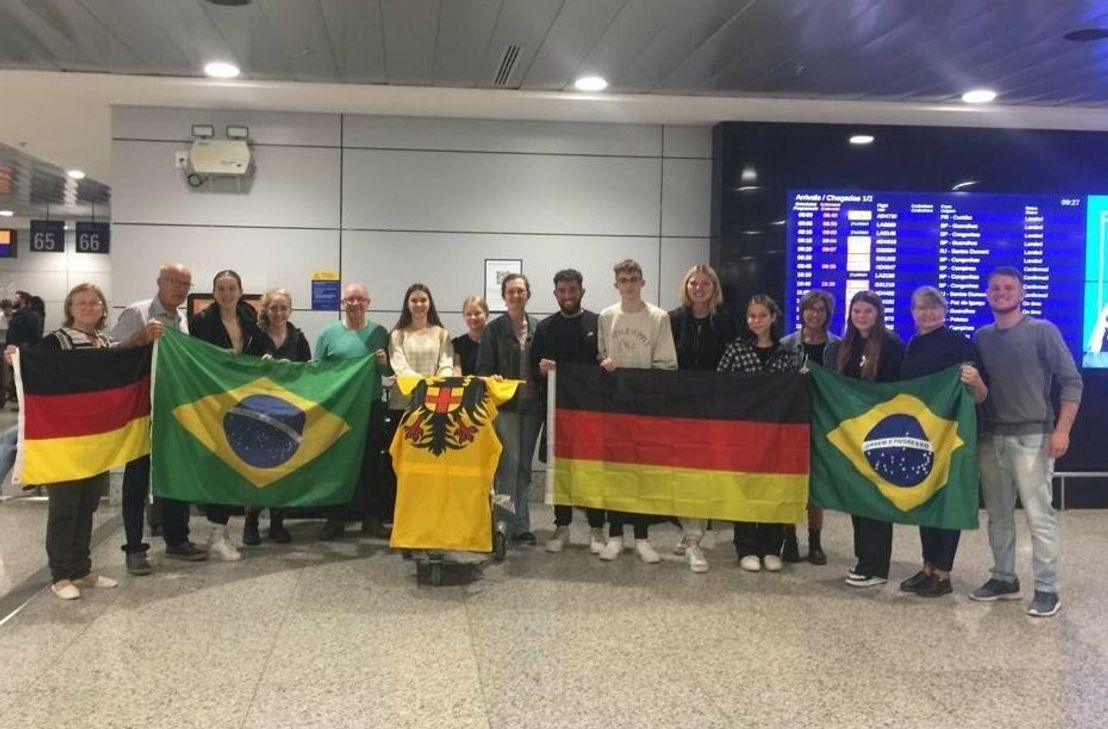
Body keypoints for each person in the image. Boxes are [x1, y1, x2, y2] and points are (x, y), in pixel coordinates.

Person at [33, 283, 158, 598]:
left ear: (103, 309)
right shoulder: (55, 342)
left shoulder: (105, 342)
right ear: (70, 308)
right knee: (64, 509)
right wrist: (16, 359)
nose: (89, 307)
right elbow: (33, 368)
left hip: (96, 442)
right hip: (64, 443)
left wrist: (144, 345)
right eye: (82, 303)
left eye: (95, 302)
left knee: (87, 505)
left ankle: (82, 568)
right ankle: (60, 575)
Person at [970, 267, 1083, 618]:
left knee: (1039, 516)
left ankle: (1047, 588)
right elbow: (980, 391)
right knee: (999, 516)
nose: (1001, 293)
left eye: (1008, 288)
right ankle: (1004, 578)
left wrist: (1062, 430)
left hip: (1034, 436)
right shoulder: (982, 337)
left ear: (1021, 294)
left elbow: (1071, 382)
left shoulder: (1042, 331)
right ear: (987, 295)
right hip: (991, 437)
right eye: (995, 288)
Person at [112, 263, 204, 575]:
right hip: (141, 412)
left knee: (175, 475)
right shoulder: (137, 313)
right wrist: (139, 338)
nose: (181, 288)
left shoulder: (182, 319)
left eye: (186, 284)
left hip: (173, 411)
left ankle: (177, 540)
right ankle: (135, 549)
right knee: (137, 481)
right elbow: (110, 354)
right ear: (160, 282)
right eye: (175, 282)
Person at [898, 286, 988, 598]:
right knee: (927, 498)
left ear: (944, 311)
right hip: (923, 436)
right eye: (922, 307)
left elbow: (981, 395)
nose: (928, 313)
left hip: (953, 437)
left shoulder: (960, 344)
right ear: (913, 312)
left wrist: (974, 381)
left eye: (934, 307)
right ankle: (927, 566)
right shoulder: (911, 345)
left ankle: (943, 573)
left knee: (948, 501)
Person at [596, 259, 678, 563]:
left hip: (646, 406)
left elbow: (666, 363)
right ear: (615, 285)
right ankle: (615, 536)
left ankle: (642, 537)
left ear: (642, 282)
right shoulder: (606, 316)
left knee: (644, 473)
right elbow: (602, 355)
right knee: (616, 472)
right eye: (623, 280)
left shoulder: (658, 317)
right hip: (615, 405)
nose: (629, 284)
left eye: (634, 279)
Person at [824, 290, 904, 588]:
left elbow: (897, 387)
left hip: (880, 432)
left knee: (876, 500)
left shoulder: (892, 345)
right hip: (853, 434)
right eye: (856, 311)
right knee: (859, 499)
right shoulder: (844, 345)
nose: (861, 316)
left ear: (878, 314)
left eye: (867, 312)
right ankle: (863, 559)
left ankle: (877, 565)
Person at [717, 294, 801, 573]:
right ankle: (746, 547)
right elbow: (720, 386)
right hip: (743, 434)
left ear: (773, 318)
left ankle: (770, 547)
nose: (757, 321)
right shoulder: (735, 350)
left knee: (772, 489)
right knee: (744, 489)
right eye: (752, 316)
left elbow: (795, 397)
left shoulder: (788, 355)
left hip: (776, 436)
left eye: (762, 315)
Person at [188, 270, 266, 560]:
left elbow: (258, 354)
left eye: (232, 288)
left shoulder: (249, 319)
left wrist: (265, 361)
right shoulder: (201, 321)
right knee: (217, 466)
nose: (226, 293)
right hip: (213, 402)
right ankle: (216, 532)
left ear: (240, 290)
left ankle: (219, 531)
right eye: (221, 288)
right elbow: (195, 357)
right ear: (214, 292)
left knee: (235, 466)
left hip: (242, 402)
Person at [668, 264, 737, 573]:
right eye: (693, 283)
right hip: (680, 408)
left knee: (704, 471)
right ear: (686, 286)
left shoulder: (725, 321)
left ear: (714, 287)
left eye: (705, 283)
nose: (698, 288)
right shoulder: (672, 320)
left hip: (713, 409)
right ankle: (690, 532)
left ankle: (694, 534)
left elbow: (732, 362)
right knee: (682, 472)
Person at [530, 269, 604, 554]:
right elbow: (535, 368)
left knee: (592, 471)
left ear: (582, 290)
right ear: (555, 293)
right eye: (562, 291)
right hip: (557, 412)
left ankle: (597, 528)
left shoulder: (598, 323)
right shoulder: (546, 327)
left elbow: (607, 361)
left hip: (591, 413)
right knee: (560, 470)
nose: (567, 296)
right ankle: (562, 527)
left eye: (572, 290)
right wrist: (541, 369)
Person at [314, 282, 392, 540]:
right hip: (338, 410)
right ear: (342, 304)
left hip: (370, 406)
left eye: (360, 299)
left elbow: (390, 374)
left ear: (368, 303)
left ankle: (371, 518)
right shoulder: (327, 334)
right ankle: (335, 517)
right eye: (350, 300)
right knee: (336, 463)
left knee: (371, 463)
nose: (355, 304)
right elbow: (317, 373)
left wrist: (382, 364)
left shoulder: (381, 333)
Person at [243, 288, 312, 545]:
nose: (279, 313)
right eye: (274, 308)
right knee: (257, 467)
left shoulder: (299, 338)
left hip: (288, 412)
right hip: (258, 410)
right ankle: (251, 521)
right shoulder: (255, 337)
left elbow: (309, 374)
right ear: (266, 310)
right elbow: (241, 370)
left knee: (283, 466)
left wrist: (292, 370)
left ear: (290, 310)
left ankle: (277, 522)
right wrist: (259, 365)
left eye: (283, 308)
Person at [476, 273, 541, 545]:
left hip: (532, 407)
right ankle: (502, 523)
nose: (516, 295)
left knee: (525, 467)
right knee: (508, 467)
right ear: (504, 297)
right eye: (511, 291)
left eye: (521, 291)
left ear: (528, 294)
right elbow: (482, 370)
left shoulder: (539, 327)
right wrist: (495, 380)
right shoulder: (493, 330)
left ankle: (522, 524)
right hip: (506, 408)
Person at [779, 289, 840, 565]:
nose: (814, 314)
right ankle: (788, 538)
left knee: (816, 484)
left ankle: (815, 542)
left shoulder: (838, 346)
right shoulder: (787, 344)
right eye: (810, 309)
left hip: (823, 421)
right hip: (792, 421)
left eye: (820, 310)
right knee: (790, 482)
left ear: (828, 314)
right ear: (802, 312)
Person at [452, 296, 488, 376]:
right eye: (468, 314)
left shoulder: (497, 342)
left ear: (487, 314)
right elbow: (457, 373)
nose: (473, 317)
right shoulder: (457, 344)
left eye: (477, 313)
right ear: (464, 317)